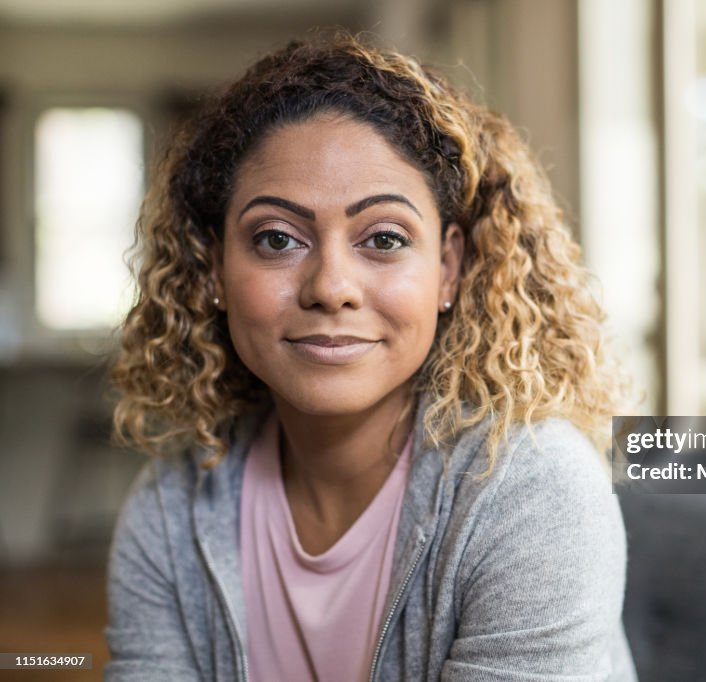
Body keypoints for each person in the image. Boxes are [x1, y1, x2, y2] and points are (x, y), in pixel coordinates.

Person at [106, 32, 636, 681]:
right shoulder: (174, 506)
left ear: (448, 268)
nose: (330, 287)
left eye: (383, 238)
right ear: (213, 268)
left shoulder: (533, 488)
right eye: (277, 239)